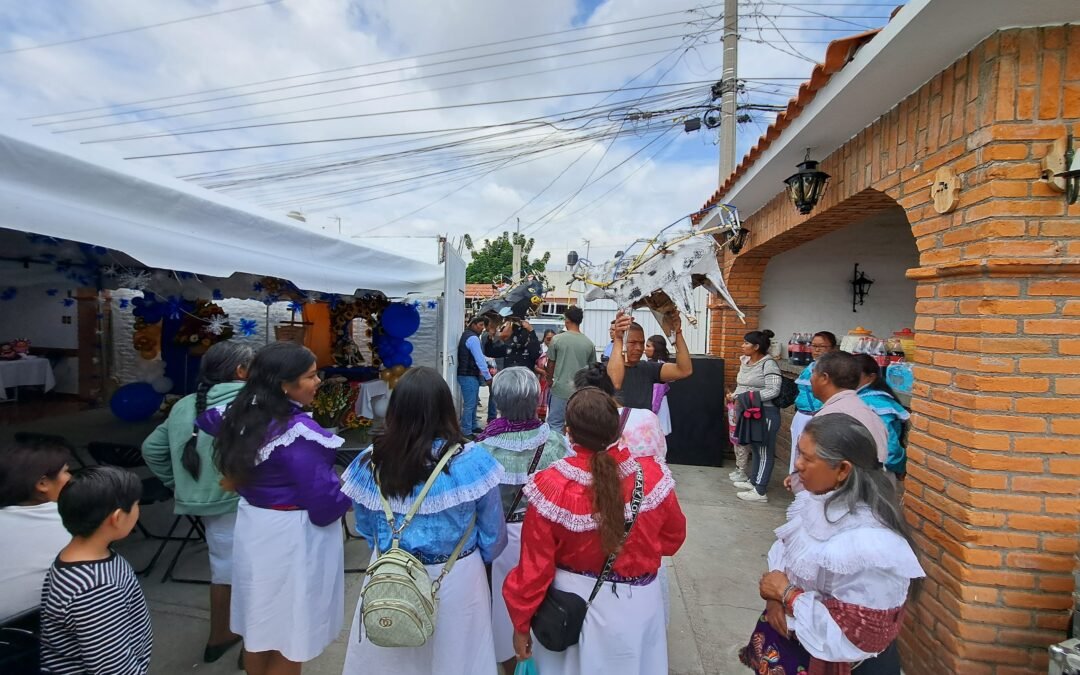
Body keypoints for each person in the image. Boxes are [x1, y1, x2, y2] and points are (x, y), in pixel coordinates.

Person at [503, 387, 686, 674]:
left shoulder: (551, 486)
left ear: (569, 433)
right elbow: (673, 539)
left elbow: (533, 569)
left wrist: (520, 623)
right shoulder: (652, 477)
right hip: (638, 607)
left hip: (570, 610)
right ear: (617, 430)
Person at [340, 366, 507, 675]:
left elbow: (364, 526)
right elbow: (493, 534)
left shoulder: (371, 459)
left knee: (391, 659)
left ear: (396, 408)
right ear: (447, 408)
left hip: (390, 573)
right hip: (457, 575)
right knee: (458, 659)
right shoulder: (472, 461)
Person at [197, 342, 352, 675]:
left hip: (255, 526)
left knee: (261, 627)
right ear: (285, 384)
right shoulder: (295, 433)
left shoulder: (241, 414)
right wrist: (352, 488)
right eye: (311, 376)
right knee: (290, 632)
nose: (318, 382)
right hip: (291, 537)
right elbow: (324, 502)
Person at [740, 413, 924, 674]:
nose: (798, 465)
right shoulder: (815, 503)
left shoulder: (871, 543)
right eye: (798, 454)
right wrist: (774, 597)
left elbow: (857, 635)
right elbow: (784, 552)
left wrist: (787, 595)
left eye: (807, 458)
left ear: (843, 470)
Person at [141, 340, 255, 663]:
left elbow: (152, 449)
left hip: (205, 507)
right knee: (257, 573)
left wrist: (179, 485)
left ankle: (220, 636)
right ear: (241, 371)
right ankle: (254, 649)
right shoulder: (252, 403)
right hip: (245, 503)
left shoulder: (183, 405)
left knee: (223, 570)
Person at [473, 367, 569, 674]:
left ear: (499, 402)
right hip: (547, 538)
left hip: (499, 538)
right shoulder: (554, 442)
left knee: (502, 607)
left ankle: (508, 663)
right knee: (546, 602)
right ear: (535, 399)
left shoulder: (483, 448)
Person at [39, 466, 153, 675]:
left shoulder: (74, 556)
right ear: (117, 518)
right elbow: (111, 668)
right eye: (136, 505)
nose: (138, 510)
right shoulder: (96, 589)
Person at [0, 439, 72, 623]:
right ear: (42, 484)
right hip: (42, 637)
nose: (71, 477)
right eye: (66, 471)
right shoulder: (72, 520)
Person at [807, 351, 889, 469]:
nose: (810, 379)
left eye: (813, 373)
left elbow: (824, 469)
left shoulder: (831, 417)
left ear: (824, 378)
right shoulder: (867, 412)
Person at [728, 330, 782, 503]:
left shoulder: (769, 364)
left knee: (765, 451)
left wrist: (749, 398)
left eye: (746, 343)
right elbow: (741, 385)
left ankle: (760, 491)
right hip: (749, 412)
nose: (742, 345)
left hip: (765, 412)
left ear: (756, 346)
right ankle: (754, 481)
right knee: (756, 449)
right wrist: (736, 397)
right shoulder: (746, 362)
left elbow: (773, 390)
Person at [574, 363, 667, 461]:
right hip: (651, 474)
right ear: (611, 387)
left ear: (580, 396)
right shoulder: (648, 417)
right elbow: (661, 453)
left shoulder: (584, 424)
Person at [606, 310, 692, 414]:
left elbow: (684, 370)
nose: (639, 348)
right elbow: (615, 383)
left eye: (641, 343)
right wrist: (618, 338)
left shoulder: (648, 369)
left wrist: (677, 333)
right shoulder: (600, 370)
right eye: (632, 343)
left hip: (644, 428)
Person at [787, 331, 838, 483]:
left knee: (814, 456)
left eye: (821, 346)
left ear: (833, 348)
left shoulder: (834, 369)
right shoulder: (810, 366)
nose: (816, 350)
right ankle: (797, 487)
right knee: (798, 454)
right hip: (802, 416)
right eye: (814, 346)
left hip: (819, 418)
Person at [853, 354, 911, 481]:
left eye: (855, 374)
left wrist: (900, 467)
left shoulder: (878, 405)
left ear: (871, 377)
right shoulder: (856, 398)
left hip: (875, 474)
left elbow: (890, 449)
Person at [544, 306, 596, 433]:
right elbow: (592, 369)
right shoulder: (589, 343)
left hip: (559, 389)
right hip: (580, 392)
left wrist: (549, 380)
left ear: (567, 320)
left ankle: (557, 452)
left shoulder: (557, 339)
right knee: (577, 426)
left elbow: (550, 363)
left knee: (555, 424)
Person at [458, 316, 494, 437]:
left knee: (472, 403)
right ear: (473, 324)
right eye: (480, 325)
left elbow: (479, 357)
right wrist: (488, 376)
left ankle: (472, 426)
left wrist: (489, 360)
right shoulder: (473, 338)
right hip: (467, 374)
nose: (482, 328)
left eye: (483, 326)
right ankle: (466, 431)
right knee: (470, 404)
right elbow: (479, 360)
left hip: (467, 374)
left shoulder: (467, 335)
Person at [644, 334, 673, 435]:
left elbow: (658, 393)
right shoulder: (653, 363)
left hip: (656, 408)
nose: (645, 349)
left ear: (656, 348)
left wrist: (651, 412)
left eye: (648, 346)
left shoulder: (659, 366)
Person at [535, 329, 556, 419]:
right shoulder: (539, 349)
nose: (550, 341)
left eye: (553, 339)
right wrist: (541, 371)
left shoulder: (557, 349)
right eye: (548, 339)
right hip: (540, 379)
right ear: (544, 339)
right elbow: (533, 364)